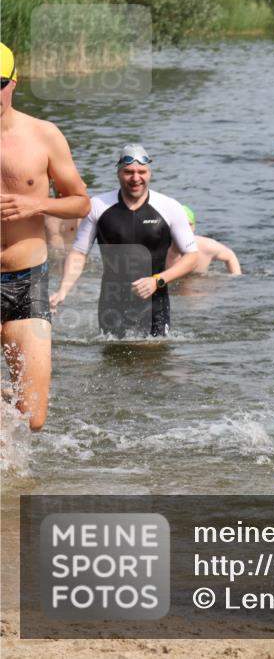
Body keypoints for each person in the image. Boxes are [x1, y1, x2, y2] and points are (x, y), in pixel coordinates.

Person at [1, 42, 90, 431]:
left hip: (26, 280)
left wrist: (36, 206)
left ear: (14, 82)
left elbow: (81, 202)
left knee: (32, 417)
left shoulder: (43, 134)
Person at [50, 144, 199, 338]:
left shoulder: (169, 207)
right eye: (129, 172)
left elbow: (192, 256)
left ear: (149, 173)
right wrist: (63, 290)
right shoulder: (98, 206)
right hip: (111, 302)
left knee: (155, 361)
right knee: (112, 358)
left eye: (141, 172)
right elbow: (79, 253)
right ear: (119, 174)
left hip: (155, 301)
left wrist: (158, 280)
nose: (136, 178)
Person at [166, 206, 241, 275]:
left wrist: (236, 279)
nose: (185, 229)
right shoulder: (159, 251)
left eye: (189, 224)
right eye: (179, 224)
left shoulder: (206, 246)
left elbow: (231, 256)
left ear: (194, 227)